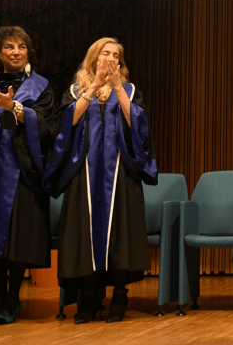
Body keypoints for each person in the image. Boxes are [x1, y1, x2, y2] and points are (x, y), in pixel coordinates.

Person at [44, 38, 157, 324]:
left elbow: (139, 128)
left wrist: (118, 87)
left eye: (115, 54)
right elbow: (64, 126)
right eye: (105, 53)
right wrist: (93, 87)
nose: (110, 58)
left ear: (121, 62)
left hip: (120, 174)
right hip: (84, 175)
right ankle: (88, 298)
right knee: (84, 234)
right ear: (93, 57)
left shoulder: (130, 91)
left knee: (121, 235)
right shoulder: (75, 91)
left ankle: (119, 295)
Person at [0, 26, 54, 325]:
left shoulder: (41, 87)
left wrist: (14, 107)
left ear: (28, 51)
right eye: (9, 47)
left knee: (16, 238)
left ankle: (13, 297)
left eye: (21, 47)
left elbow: (47, 127)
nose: (16, 52)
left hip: (21, 173)